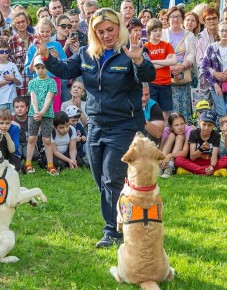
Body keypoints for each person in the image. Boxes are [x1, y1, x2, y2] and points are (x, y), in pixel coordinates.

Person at [38, 7, 156, 248]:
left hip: (124, 125)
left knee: (112, 178)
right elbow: (65, 70)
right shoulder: (85, 54)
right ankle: (128, 215)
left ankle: (113, 231)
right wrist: (46, 56)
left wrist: (139, 59)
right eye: (100, 31)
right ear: (93, 32)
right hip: (95, 125)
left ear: (119, 28)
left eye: (110, 29)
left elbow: (149, 74)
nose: (106, 35)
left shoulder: (128, 53)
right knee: (100, 179)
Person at [200, 21, 227, 119]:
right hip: (215, 85)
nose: (224, 33)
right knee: (222, 112)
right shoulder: (212, 47)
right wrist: (215, 83)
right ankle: (220, 132)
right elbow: (203, 67)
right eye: (222, 30)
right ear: (218, 32)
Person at [24, 55, 58, 176]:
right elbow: (33, 97)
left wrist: (42, 112)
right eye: (37, 67)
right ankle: (28, 164)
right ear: (34, 68)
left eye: (42, 67)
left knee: (47, 139)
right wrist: (37, 111)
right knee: (32, 138)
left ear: (46, 68)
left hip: (47, 114)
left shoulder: (52, 82)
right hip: (33, 114)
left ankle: (50, 165)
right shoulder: (32, 82)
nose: (40, 70)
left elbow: (49, 97)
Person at [162, 6, 197, 121]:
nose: (175, 19)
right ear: (168, 19)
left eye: (178, 16)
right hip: (166, 77)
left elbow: (192, 54)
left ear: (182, 19)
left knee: (183, 110)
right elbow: (159, 54)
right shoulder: (162, 34)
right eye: (172, 16)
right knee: (168, 111)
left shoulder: (189, 35)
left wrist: (181, 67)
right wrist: (171, 68)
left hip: (183, 76)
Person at [174, 110, 227, 176]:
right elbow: (192, 157)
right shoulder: (193, 133)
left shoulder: (216, 135)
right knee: (178, 160)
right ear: (199, 123)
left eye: (209, 125)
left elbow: (214, 157)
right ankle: (206, 171)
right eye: (204, 124)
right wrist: (201, 149)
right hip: (195, 162)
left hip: (210, 162)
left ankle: (196, 171)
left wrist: (212, 166)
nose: (206, 128)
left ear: (213, 126)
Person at [25, 18, 67, 113]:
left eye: (47, 31)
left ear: (52, 30)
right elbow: (29, 71)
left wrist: (57, 59)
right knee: (39, 109)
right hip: (38, 82)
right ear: (37, 31)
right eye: (42, 31)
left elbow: (65, 65)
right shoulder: (33, 47)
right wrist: (35, 56)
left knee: (55, 109)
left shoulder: (57, 45)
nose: (45, 34)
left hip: (54, 80)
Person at [145, 19, 177, 124]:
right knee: (152, 112)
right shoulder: (146, 47)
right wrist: (165, 62)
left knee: (165, 114)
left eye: (160, 30)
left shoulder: (167, 45)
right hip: (152, 84)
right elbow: (147, 67)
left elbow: (174, 61)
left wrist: (154, 61)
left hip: (166, 84)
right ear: (149, 32)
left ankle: (164, 137)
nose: (158, 32)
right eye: (155, 30)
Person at [0, 40, 23, 112]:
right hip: (0, 100)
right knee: (2, 120)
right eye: (1, 52)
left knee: (13, 119)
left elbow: (19, 82)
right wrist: (9, 80)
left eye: (6, 52)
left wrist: (13, 78)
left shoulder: (12, 65)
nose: (4, 54)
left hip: (13, 99)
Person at [159, 112, 193, 178]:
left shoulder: (189, 130)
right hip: (166, 155)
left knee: (180, 136)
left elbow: (185, 152)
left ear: (185, 123)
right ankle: (161, 166)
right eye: (176, 125)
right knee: (171, 135)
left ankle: (170, 166)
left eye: (182, 124)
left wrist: (170, 155)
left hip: (179, 156)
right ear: (171, 127)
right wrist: (159, 159)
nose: (180, 127)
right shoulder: (166, 130)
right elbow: (160, 148)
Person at [8, 12, 34, 98]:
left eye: (23, 21)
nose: (21, 24)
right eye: (18, 22)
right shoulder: (11, 41)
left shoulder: (35, 39)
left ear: (27, 22)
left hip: (36, 79)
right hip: (21, 83)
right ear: (15, 24)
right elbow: (10, 65)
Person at [12, 96, 30, 160]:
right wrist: (11, 122)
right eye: (17, 107)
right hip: (17, 142)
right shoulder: (11, 119)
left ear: (27, 108)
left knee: (33, 156)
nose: (19, 109)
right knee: (17, 155)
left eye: (22, 107)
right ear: (14, 109)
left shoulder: (31, 119)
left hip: (28, 142)